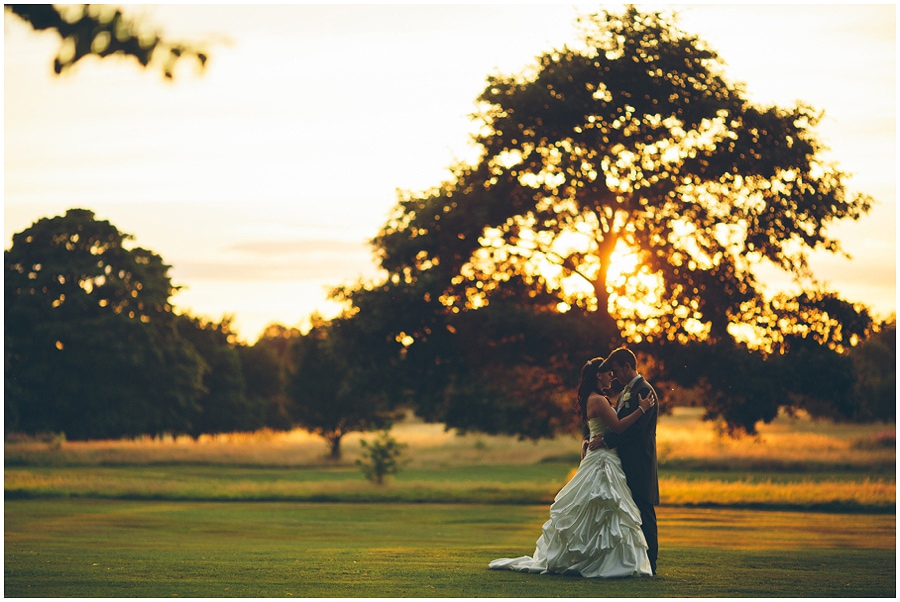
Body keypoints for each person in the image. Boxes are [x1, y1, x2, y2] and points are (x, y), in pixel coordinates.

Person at [489, 356, 655, 578]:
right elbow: (617, 426)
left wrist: (589, 439)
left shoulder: (598, 398)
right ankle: (599, 560)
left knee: (603, 508)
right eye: (608, 373)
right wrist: (642, 409)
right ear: (599, 375)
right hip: (603, 459)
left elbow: (603, 428)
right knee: (603, 506)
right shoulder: (599, 400)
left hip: (607, 456)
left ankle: (603, 558)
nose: (611, 377)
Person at [588, 347, 659, 575]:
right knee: (630, 513)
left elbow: (635, 431)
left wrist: (606, 440)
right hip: (625, 461)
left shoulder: (644, 391)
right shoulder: (629, 391)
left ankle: (650, 563)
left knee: (643, 511)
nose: (614, 375)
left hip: (640, 461)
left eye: (616, 370)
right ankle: (631, 561)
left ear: (627, 367)